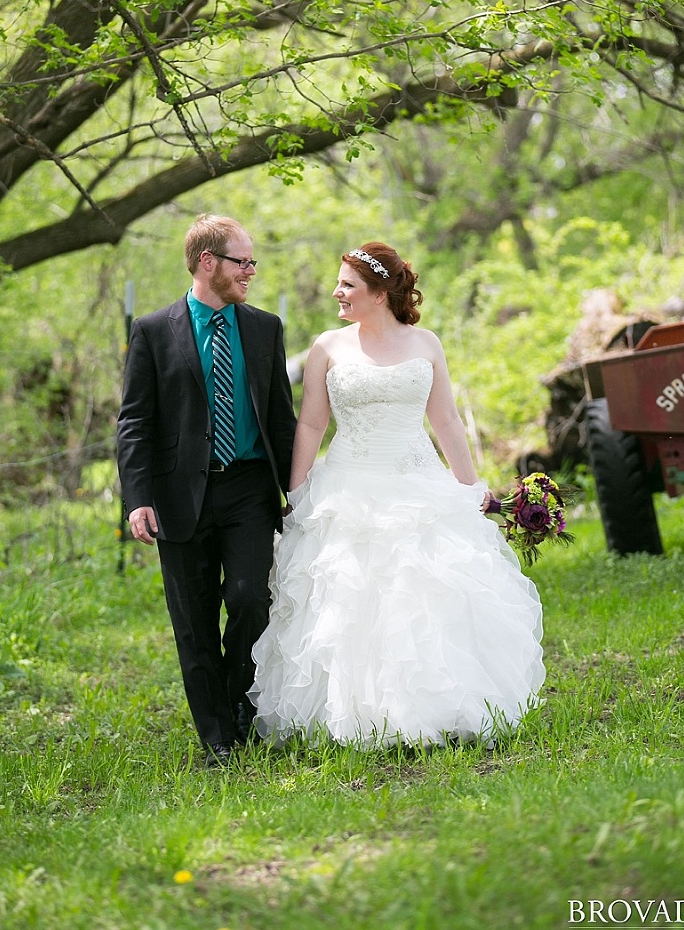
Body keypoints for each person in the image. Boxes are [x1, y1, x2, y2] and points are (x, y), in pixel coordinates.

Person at [248, 243, 545, 745]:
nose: (337, 292)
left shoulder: (425, 343)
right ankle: (351, 716)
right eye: (339, 282)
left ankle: (439, 708)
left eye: (348, 285)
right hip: (348, 484)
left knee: (425, 592)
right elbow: (313, 423)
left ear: (381, 293)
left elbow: (445, 419)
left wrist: (470, 486)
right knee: (348, 597)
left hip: (416, 479)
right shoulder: (326, 347)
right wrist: (297, 492)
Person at [117, 215, 297, 766]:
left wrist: (299, 493)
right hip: (177, 496)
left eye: (253, 261)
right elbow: (135, 421)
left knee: (249, 599)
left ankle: (242, 705)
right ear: (206, 263)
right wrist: (137, 497)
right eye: (242, 261)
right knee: (192, 619)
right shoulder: (152, 330)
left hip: (248, 488)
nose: (251, 271)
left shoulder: (265, 328)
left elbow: (282, 419)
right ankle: (216, 737)